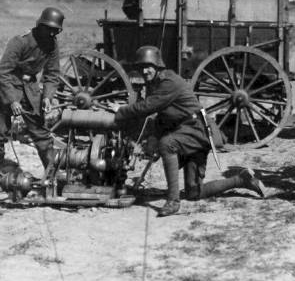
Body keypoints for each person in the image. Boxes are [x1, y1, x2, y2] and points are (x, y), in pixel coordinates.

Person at [114, 46, 266, 217]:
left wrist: (120, 112)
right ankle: (242, 179)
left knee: (167, 144)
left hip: (198, 130)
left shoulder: (169, 82)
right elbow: (163, 116)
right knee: (194, 193)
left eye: (148, 67)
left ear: (157, 66)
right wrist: (153, 137)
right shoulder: (154, 83)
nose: (144, 71)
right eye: (141, 67)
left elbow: (148, 106)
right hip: (187, 131)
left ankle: (173, 201)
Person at [0, 7, 64, 194]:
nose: (51, 34)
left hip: (29, 89)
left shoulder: (52, 44)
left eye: (55, 30)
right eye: (48, 29)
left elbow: (53, 74)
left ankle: (52, 173)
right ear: (40, 25)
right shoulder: (20, 41)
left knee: (41, 133)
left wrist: (47, 97)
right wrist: (12, 100)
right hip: (4, 88)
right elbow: (2, 73)